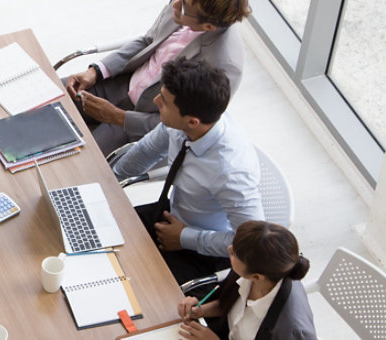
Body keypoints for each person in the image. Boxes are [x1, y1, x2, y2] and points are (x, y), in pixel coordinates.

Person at [112, 56, 263, 286]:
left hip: (201, 251)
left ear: (192, 121)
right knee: (98, 237)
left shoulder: (231, 173)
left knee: (131, 286)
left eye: (163, 102)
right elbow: (146, 151)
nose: (155, 101)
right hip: (171, 215)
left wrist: (185, 238)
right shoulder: (182, 124)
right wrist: (107, 183)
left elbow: (250, 245)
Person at [64, 0, 249, 156]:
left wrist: (119, 117)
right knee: (52, 96)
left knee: (79, 161)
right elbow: (148, 41)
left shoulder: (224, 67)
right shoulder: (185, 4)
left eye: (183, 6)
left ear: (208, 26)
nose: (174, 4)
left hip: (143, 121)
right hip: (122, 84)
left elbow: (182, 124)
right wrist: (96, 71)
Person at [175, 221, 316, 340]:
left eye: (234, 253)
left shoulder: (290, 330)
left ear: (257, 276)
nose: (229, 248)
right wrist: (201, 310)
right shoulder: (253, 266)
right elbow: (231, 304)